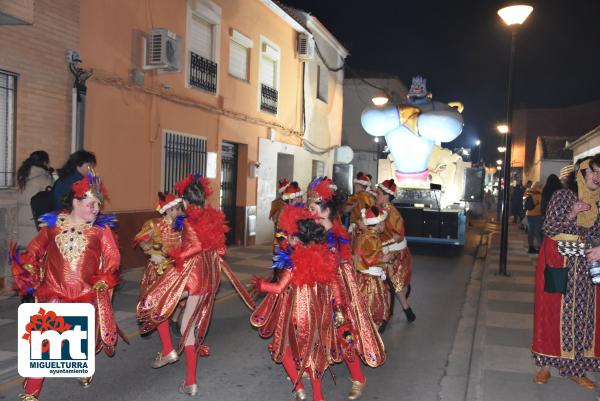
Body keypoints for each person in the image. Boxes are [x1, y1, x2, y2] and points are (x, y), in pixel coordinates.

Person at [137, 174, 254, 396]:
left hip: (190, 274)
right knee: (186, 328)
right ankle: (190, 382)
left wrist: (175, 255)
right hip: (208, 277)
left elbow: (197, 245)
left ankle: (168, 349)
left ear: (187, 202)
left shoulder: (190, 220)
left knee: (154, 302)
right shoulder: (214, 218)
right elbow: (220, 250)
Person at [11, 173, 122, 401]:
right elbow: (35, 247)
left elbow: (113, 258)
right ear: (75, 202)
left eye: (98, 205)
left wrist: (105, 277)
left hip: (85, 295)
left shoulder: (101, 230)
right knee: (43, 343)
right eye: (91, 204)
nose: (96, 209)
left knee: (82, 342)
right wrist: (30, 264)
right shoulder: (54, 225)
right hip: (54, 293)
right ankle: (32, 393)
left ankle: (81, 367)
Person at [307, 177, 385, 400]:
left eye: (313, 208)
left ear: (326, 210)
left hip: (336, 297)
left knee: (345, 337)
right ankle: (314, 375)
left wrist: (338, 305)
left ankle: (359, 379)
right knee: (314, 336)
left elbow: (339, 273)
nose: (309, 212)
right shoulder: (314, 232)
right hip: (316, 292)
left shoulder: (337, 237)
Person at [251, 205, 340, 401]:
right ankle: (318, 397)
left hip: (296, 315)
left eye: (290, 236)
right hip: (317, 316)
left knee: (283, 350)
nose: (287, 238)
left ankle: (299, 388)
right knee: (313, 356)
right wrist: (338, 308)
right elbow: (334, 285)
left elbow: (277, 288)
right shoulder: (325, 257)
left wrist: (261, 285)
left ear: (298, 240)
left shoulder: (293, 263)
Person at [532, 155, 600, 389]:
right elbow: (549, 228)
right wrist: (571, 213)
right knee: (552, 312)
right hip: (559, 263)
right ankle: (545, 366)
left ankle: (576, 369)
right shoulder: (563, 196)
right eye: (593, 172)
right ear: (581, 173)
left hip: (588, 267)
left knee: (584, 316)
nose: (597, 178)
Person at [133, 192, 183, 313]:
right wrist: (148, 246)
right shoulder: (155, 224)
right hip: (158, 267)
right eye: (178, 209)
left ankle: (171, 317)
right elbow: (140, 239)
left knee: (177, 295)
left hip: (175, 266)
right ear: (169, 210)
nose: (180, 212)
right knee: (156, 298)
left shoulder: (180, 225)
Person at [375, 179, 416, 325]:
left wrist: (381, 244)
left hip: (395, 254)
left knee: (387, 284)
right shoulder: (381, 209)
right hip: (386, 251)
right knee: (388, 284)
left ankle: (386, 315)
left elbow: (399, 236)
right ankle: (405, 311)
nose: (376, 196)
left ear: (386, 196)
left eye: (378, 194)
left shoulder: (392, 213)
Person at [352, 206, 389, 331]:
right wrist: (383, 258)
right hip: (370, 280)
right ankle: (372, 345)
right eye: (383, 222)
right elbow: (367, 259)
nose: (385, 225)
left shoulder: (366, 235)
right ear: (378, 224)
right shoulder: (372, 238)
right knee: (373, 311)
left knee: (369, 311)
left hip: (366, 278)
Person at [16, 151, 54, 246]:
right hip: (35, 220)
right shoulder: (44, 179)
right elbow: (50, 200)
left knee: (25, 252)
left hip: (22, 217)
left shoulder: (24, 176)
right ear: (44, 163)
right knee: (35, 253)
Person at [524, 181, 543, 253]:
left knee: (530, 231)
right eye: (540, 186)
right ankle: (539, 246)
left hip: (529, 214)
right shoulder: (539, 194)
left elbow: (524, 200)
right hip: (537, 214)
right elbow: (541, 205)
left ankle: (530, 246)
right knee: (537, 232)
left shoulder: (528, 192)